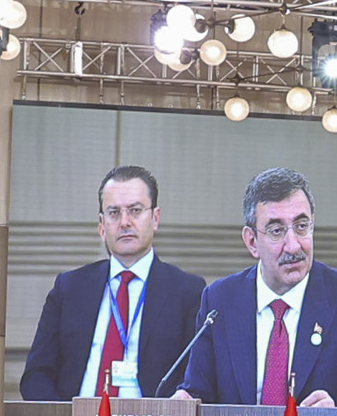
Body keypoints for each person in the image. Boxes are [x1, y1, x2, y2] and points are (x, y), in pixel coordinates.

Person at [181, 167, 337, 408]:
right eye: (276, 231)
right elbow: (197, 394)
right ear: (252, 242)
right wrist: (183, 402)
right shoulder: (220, 301)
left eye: (301, 226)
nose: (293, 246)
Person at [19, 163, 207, 400]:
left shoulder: (188, 292)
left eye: (135, 210)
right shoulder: (69, 288)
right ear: (101, 226)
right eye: (114, 212)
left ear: (155, 218)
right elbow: (36, 375)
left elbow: (196, 376)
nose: (125, 222)